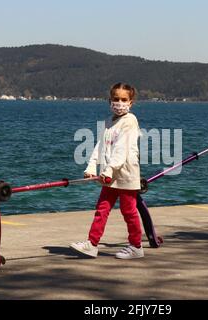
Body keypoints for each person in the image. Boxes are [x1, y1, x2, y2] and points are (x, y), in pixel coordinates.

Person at [70, 83, 144, 259]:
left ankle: (136, 246)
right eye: (116, 99)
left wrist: (110, 169)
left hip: (125, 175)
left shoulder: (130, 121)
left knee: (129, 211)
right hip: (108, 176)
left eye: (123, 100)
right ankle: (92, 244)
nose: (119, 103)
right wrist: (91, 166)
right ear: (109, 101)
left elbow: (121, 149)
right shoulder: (108, 122)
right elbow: (100, 146)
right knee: (101, 209)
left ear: (131, 102)